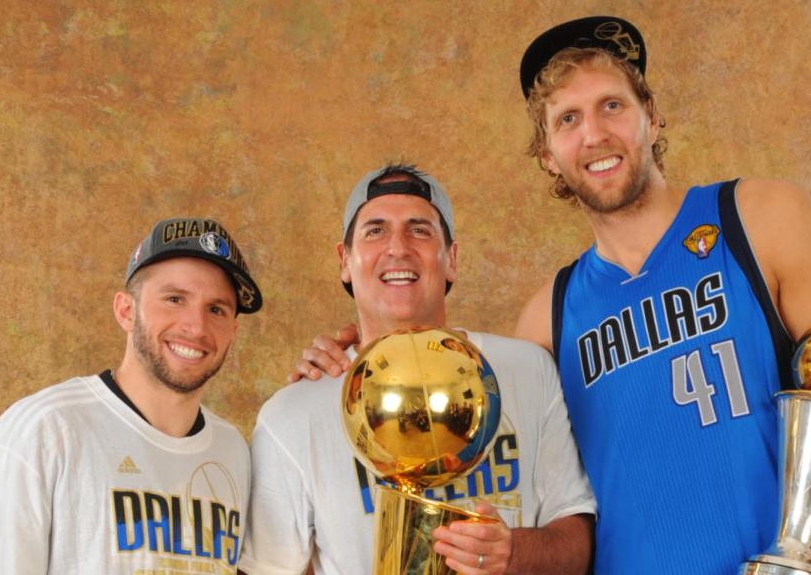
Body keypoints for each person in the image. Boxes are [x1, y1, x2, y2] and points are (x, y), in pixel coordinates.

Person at [289, 16, 811, 575]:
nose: (595, 134)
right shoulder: (546, 321)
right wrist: (357, 358)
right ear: (548, 157)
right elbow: (452, 401)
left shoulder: (761, 219)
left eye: (612, 105)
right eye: (568, 120)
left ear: (650, 118)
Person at [239, 164, 595, 575]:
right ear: (345, 261)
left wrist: (511, 553)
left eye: (419, 230)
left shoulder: (526, 371)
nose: (398, 248)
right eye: (375, 230)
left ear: (452, 260)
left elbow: (578, 541)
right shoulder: (292, 415)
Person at [0, 217, 263, 574]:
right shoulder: (44, 432)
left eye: (216, 309)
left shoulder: (233, 450)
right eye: (175, 299)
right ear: (126, 311)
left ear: (233, 331)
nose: (196, 326)